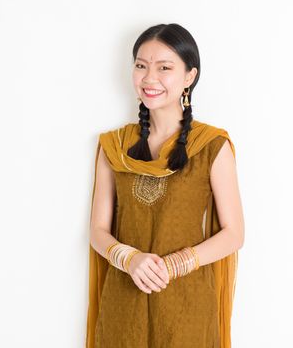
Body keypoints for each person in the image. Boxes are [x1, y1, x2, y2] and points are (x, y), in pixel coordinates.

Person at [86, 23, 245, 348]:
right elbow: (98, 230)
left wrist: (173, 264)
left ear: (189, 76)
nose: (149, 78)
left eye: (164, 68)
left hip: (187, 304)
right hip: (123, 301)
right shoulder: (114, 146)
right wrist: (129, 259)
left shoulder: (211, 145)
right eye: (141, 66)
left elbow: (234, 233)